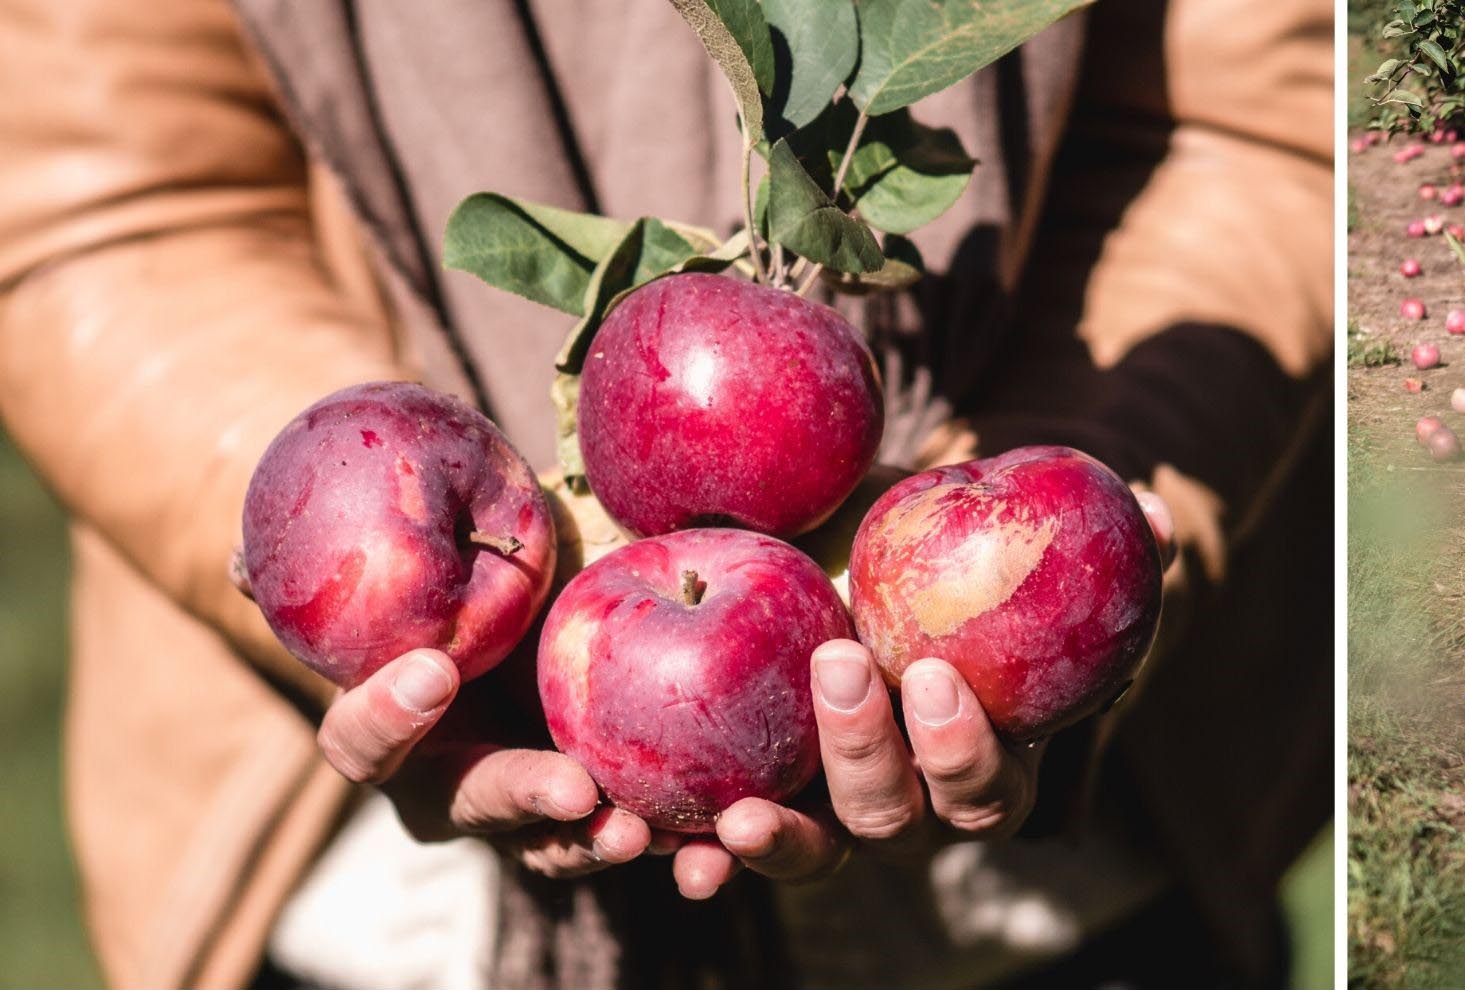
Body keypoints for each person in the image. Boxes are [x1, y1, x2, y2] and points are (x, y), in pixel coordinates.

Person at [0, 0, 1333, 987]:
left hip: (1064, 891)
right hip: (378, 907)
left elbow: (1254, 123)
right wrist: (335, 586)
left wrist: (1051, 563)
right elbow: (99, 205)